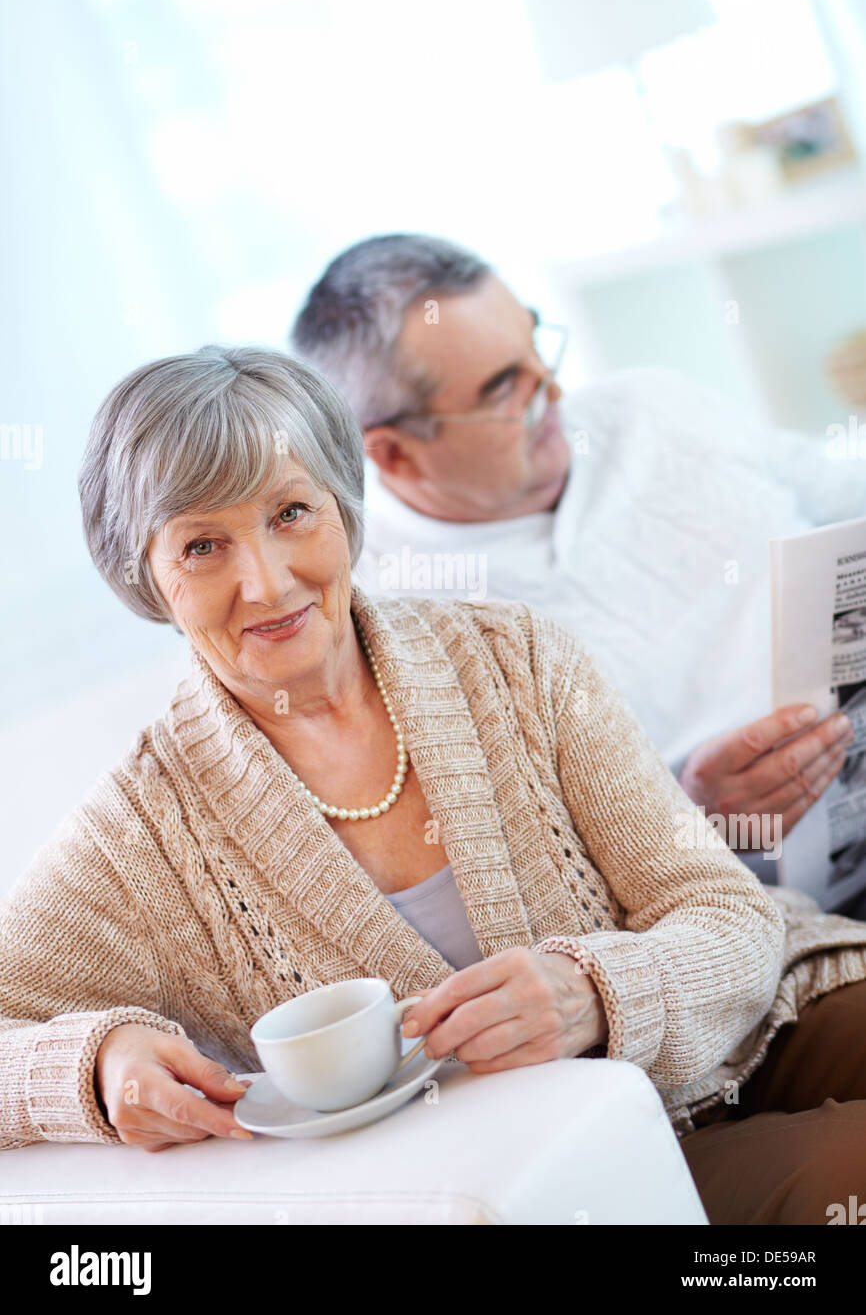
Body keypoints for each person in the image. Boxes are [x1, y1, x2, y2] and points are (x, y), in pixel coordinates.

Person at [2, 347, 866, 1225]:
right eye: (202, 545)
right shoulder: (139, 835)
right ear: (147, 579)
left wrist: (597, 994)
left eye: (292, 512)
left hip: (756, 1020)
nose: (264, 581)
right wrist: (96, 1069)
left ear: (344, 506)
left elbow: (723, 910)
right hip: (572, 1181)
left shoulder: (514, 658)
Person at [290, 234, 866, 895]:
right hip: (769, 906)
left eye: (538, 348)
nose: (557, 392)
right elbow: (524, 889)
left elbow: (841, 493)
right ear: (394, 455)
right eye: (507, 388)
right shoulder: (387, 621)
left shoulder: (653, 407)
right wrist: (687, 825)